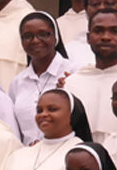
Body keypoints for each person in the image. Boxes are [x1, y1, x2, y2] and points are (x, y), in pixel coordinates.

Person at [64, 9, 117, 140]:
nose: (106, 37)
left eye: (114, 31)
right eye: (98, 31)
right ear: (88, 38)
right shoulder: (72, 83)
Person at [8, 11, 76, 143]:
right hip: (28, 157)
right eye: (27, 36)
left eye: (43, 34)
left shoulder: (73, 73)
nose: (35, 40)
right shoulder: (17, 82)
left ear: (55, 37)